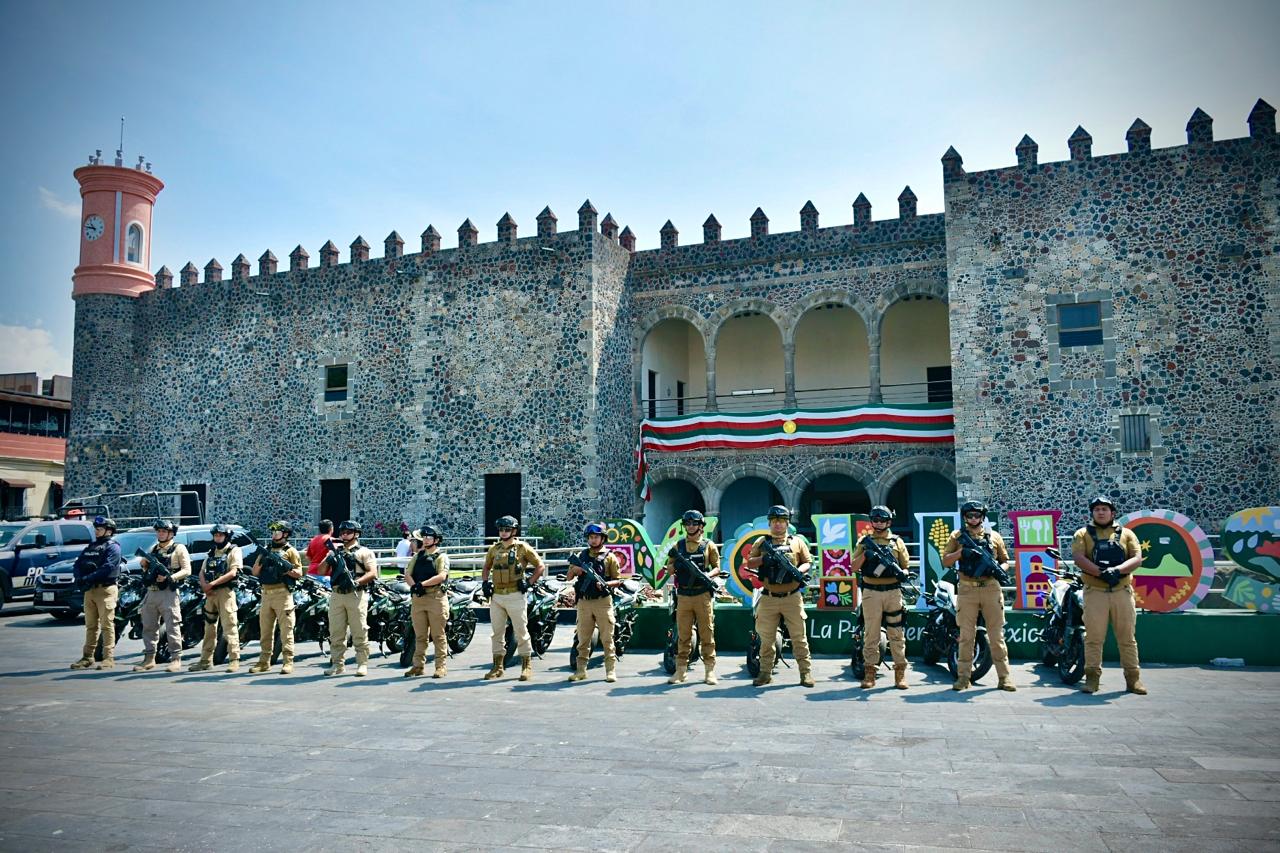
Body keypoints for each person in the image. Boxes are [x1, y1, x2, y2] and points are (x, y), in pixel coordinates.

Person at [1071, 496, 1146, 695]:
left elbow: (1137, 558)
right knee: (1093, 638)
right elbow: (1078, 558)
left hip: (1122, 591)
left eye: (1104, 509)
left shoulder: (1127, 534)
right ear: (1092, 513)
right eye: (1096, 509)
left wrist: (1117, 570)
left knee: (1127, 638)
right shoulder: (1082, 534)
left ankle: (1133, 679)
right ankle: (1092, 679)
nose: (1100, 512)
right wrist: (1100, 572)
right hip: (1095, 592)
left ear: (1112, 513)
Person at [942, 500, 1016, 692]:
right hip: (967, 589)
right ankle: (963, 678)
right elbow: (946, 561)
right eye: (970, 516)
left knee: (996, 636)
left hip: (991, 587)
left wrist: (999, 569)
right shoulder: (957, 536)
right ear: (965, 517)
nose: (974, 519)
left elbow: (1005, 560)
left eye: (977, 515)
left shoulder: (994, 536)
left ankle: (1004, 678)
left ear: (982, 517)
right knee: (967, 636)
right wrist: (961, 552)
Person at [742, 505, 815, 688]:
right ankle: (765, 673)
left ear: (787, 523)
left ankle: (805, 673)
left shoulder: (797, 542)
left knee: (799, 638)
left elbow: (808, 562)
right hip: (769, 597)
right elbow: (749, 563)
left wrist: (798, 571)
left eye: (782, 521)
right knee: (766, 639)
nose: (778, 524)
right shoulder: (762, 542)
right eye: (774, 521)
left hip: (792, 597)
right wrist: (764, 559)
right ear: (769, 523)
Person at [850, 505, 912, 690]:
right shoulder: (864, 542)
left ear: (888, 522)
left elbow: (906, 566)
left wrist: (903, 573)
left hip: (893, 592)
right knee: (871, 634)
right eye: (875, 520)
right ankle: (870, 673)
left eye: (882, 520)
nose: (878, 523)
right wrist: (865, 555)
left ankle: (900, 674)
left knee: (896, 634)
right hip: (871, 592)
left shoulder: (897, 542)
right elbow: (853, 567)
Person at [481, 515, 544, 681]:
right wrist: (485, 583)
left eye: (507, 529)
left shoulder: (522, 548)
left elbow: (540, 566)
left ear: (514, 531)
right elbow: (486, 567)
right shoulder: (494, 549)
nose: (503, 532)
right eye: (501, 529)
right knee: (497, 633)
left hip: (515, 594)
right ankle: (497, 667)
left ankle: (526, 666)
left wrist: (529, 582)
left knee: (521, 631)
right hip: (497, 596)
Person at [664, 510, 721, 685]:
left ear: (701, 526)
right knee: (683, 635)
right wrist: (677, 565)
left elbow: (717, 567)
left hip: (702, 594)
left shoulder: (708, 545)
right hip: (683, 596)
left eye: (694, 523)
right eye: (687, 523)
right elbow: (669, 568)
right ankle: (681, 671)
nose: (690, 526)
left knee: (707, 633)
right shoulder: (678, 546)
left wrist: (707, 575)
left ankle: (709, 671)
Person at [565, 523, 623, 683]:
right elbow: (569, 577)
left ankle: (610, 671)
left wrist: (605, 584)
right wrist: (575, 570)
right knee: (583, 639)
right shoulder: (581, 556)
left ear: (602, 538)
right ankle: (581, 671)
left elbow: (618, 580)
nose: (593, 540)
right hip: (584, 602)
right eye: (590, 537)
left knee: (607, 638)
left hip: (602, 601)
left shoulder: (610, 557)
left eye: (596, 537)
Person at [133, 520, 192, 673]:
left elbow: (187, 570)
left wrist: (170, 577)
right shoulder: (154, 548)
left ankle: (176, 659)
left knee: (172, 626)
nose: (160, 534)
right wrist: (145, 564)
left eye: (164, 531)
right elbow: (144, 565)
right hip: (151, 592)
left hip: (168, 593)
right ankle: (149, 658)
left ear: (171, 533)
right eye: (159, 531)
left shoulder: (179, 548)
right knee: (148, 627)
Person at [323, 520, 379, 677]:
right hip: (337, 595)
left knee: (359, 630)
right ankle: (337, 664)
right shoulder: (335, 551)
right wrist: (329, 558)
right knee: (336, 632)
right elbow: (321, 570)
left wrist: (358, 582)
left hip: (356, 595)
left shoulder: (364, 552)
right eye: (342, 532)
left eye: (348, 532)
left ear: (356, 534)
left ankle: (362, 663)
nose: (344, 535)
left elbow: (372, 572)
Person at [248, 521, 304, 675]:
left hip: (282, 594)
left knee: (286, 630)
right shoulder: (265, 550)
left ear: (285, 534)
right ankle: (264, 662)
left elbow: (299, 573)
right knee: (265, 631)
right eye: (273, 532)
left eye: (277, 531)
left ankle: (288, 662)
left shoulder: (290, 551)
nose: (274, 534)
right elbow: (255, 572)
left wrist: (284, 568)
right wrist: (263, 560)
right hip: (266, 594)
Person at [189, 523, 242, 672]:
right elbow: (202, 571)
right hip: (210, 594)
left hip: (225, 593)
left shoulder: (234, 550)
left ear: (226, 536)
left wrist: (212, 584)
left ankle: (234, 659)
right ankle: (205, 660)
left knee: (230, 627)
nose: (218, 538)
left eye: (220, 535)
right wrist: (204, 586)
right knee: (209, 629)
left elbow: (233, 572)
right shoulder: (211, 552)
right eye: (216, 535)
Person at [70, 516, 121, 670]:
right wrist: (79, 577)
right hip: (90, 590)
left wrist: (88, 578)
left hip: (105, 590)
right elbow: (78, 564)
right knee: (91, 626)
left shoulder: (113, 547)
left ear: (109, 531)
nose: (96, 531)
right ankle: (87, 657)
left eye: (100, 529)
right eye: (96, 529)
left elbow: (108, 567)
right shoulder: (91, 547)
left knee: (107, 625)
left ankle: (108, 658)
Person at [404, 525, 450, 678]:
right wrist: (414, 586)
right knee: (420, 636)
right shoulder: (418, 556)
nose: (425, 540)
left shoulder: (441, 557)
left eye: (428, 537)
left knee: (438, 635)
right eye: (424, 537)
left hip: (435, 598)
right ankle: (418, 666)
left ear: (436, 540)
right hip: (419, 598)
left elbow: (441, 576)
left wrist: (422, 584)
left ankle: (440, 667)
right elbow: (408, 573)